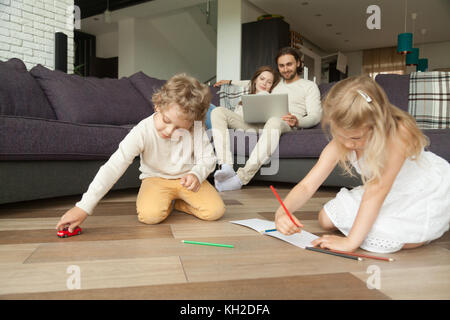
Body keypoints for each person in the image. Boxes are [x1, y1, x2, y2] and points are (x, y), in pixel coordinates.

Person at [274, 75, 450, 253]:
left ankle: (428, 226)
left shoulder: (397, 135)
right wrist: (282, 212)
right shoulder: (340, 142)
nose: (348, 144)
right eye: (340, 135)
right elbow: (307, 185)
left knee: (393, 236)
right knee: (325, 219)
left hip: (418, 190)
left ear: (377, 124)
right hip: (380, 190)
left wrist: (351, 242)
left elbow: (378, 190)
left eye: (356, 138)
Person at [56, 74, 225, 232]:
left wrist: (196, 174)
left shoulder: (196, 128)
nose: (169, 131)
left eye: (180, 128)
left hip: (187, 179)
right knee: (150, 216)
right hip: (155, 179)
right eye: (166, 120)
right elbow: (114, 166)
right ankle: (169, 203)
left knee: (216, 211)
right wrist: (83, 207)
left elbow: (208, 158)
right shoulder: (142, 130)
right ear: (158, 105)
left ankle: (180, 204)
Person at [212, 48, 322, 192]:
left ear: (298, 63)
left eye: (289, 64)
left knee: (275, 120)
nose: (285, 69)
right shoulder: (275, 83)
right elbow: (253, 81)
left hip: (284, 123)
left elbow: (315, 116)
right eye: (281, 66)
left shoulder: (309, 86)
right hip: (258, 122)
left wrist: (298, 121)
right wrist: (230, 82)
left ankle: (241, 178)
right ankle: (226, 166)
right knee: (218, 111)